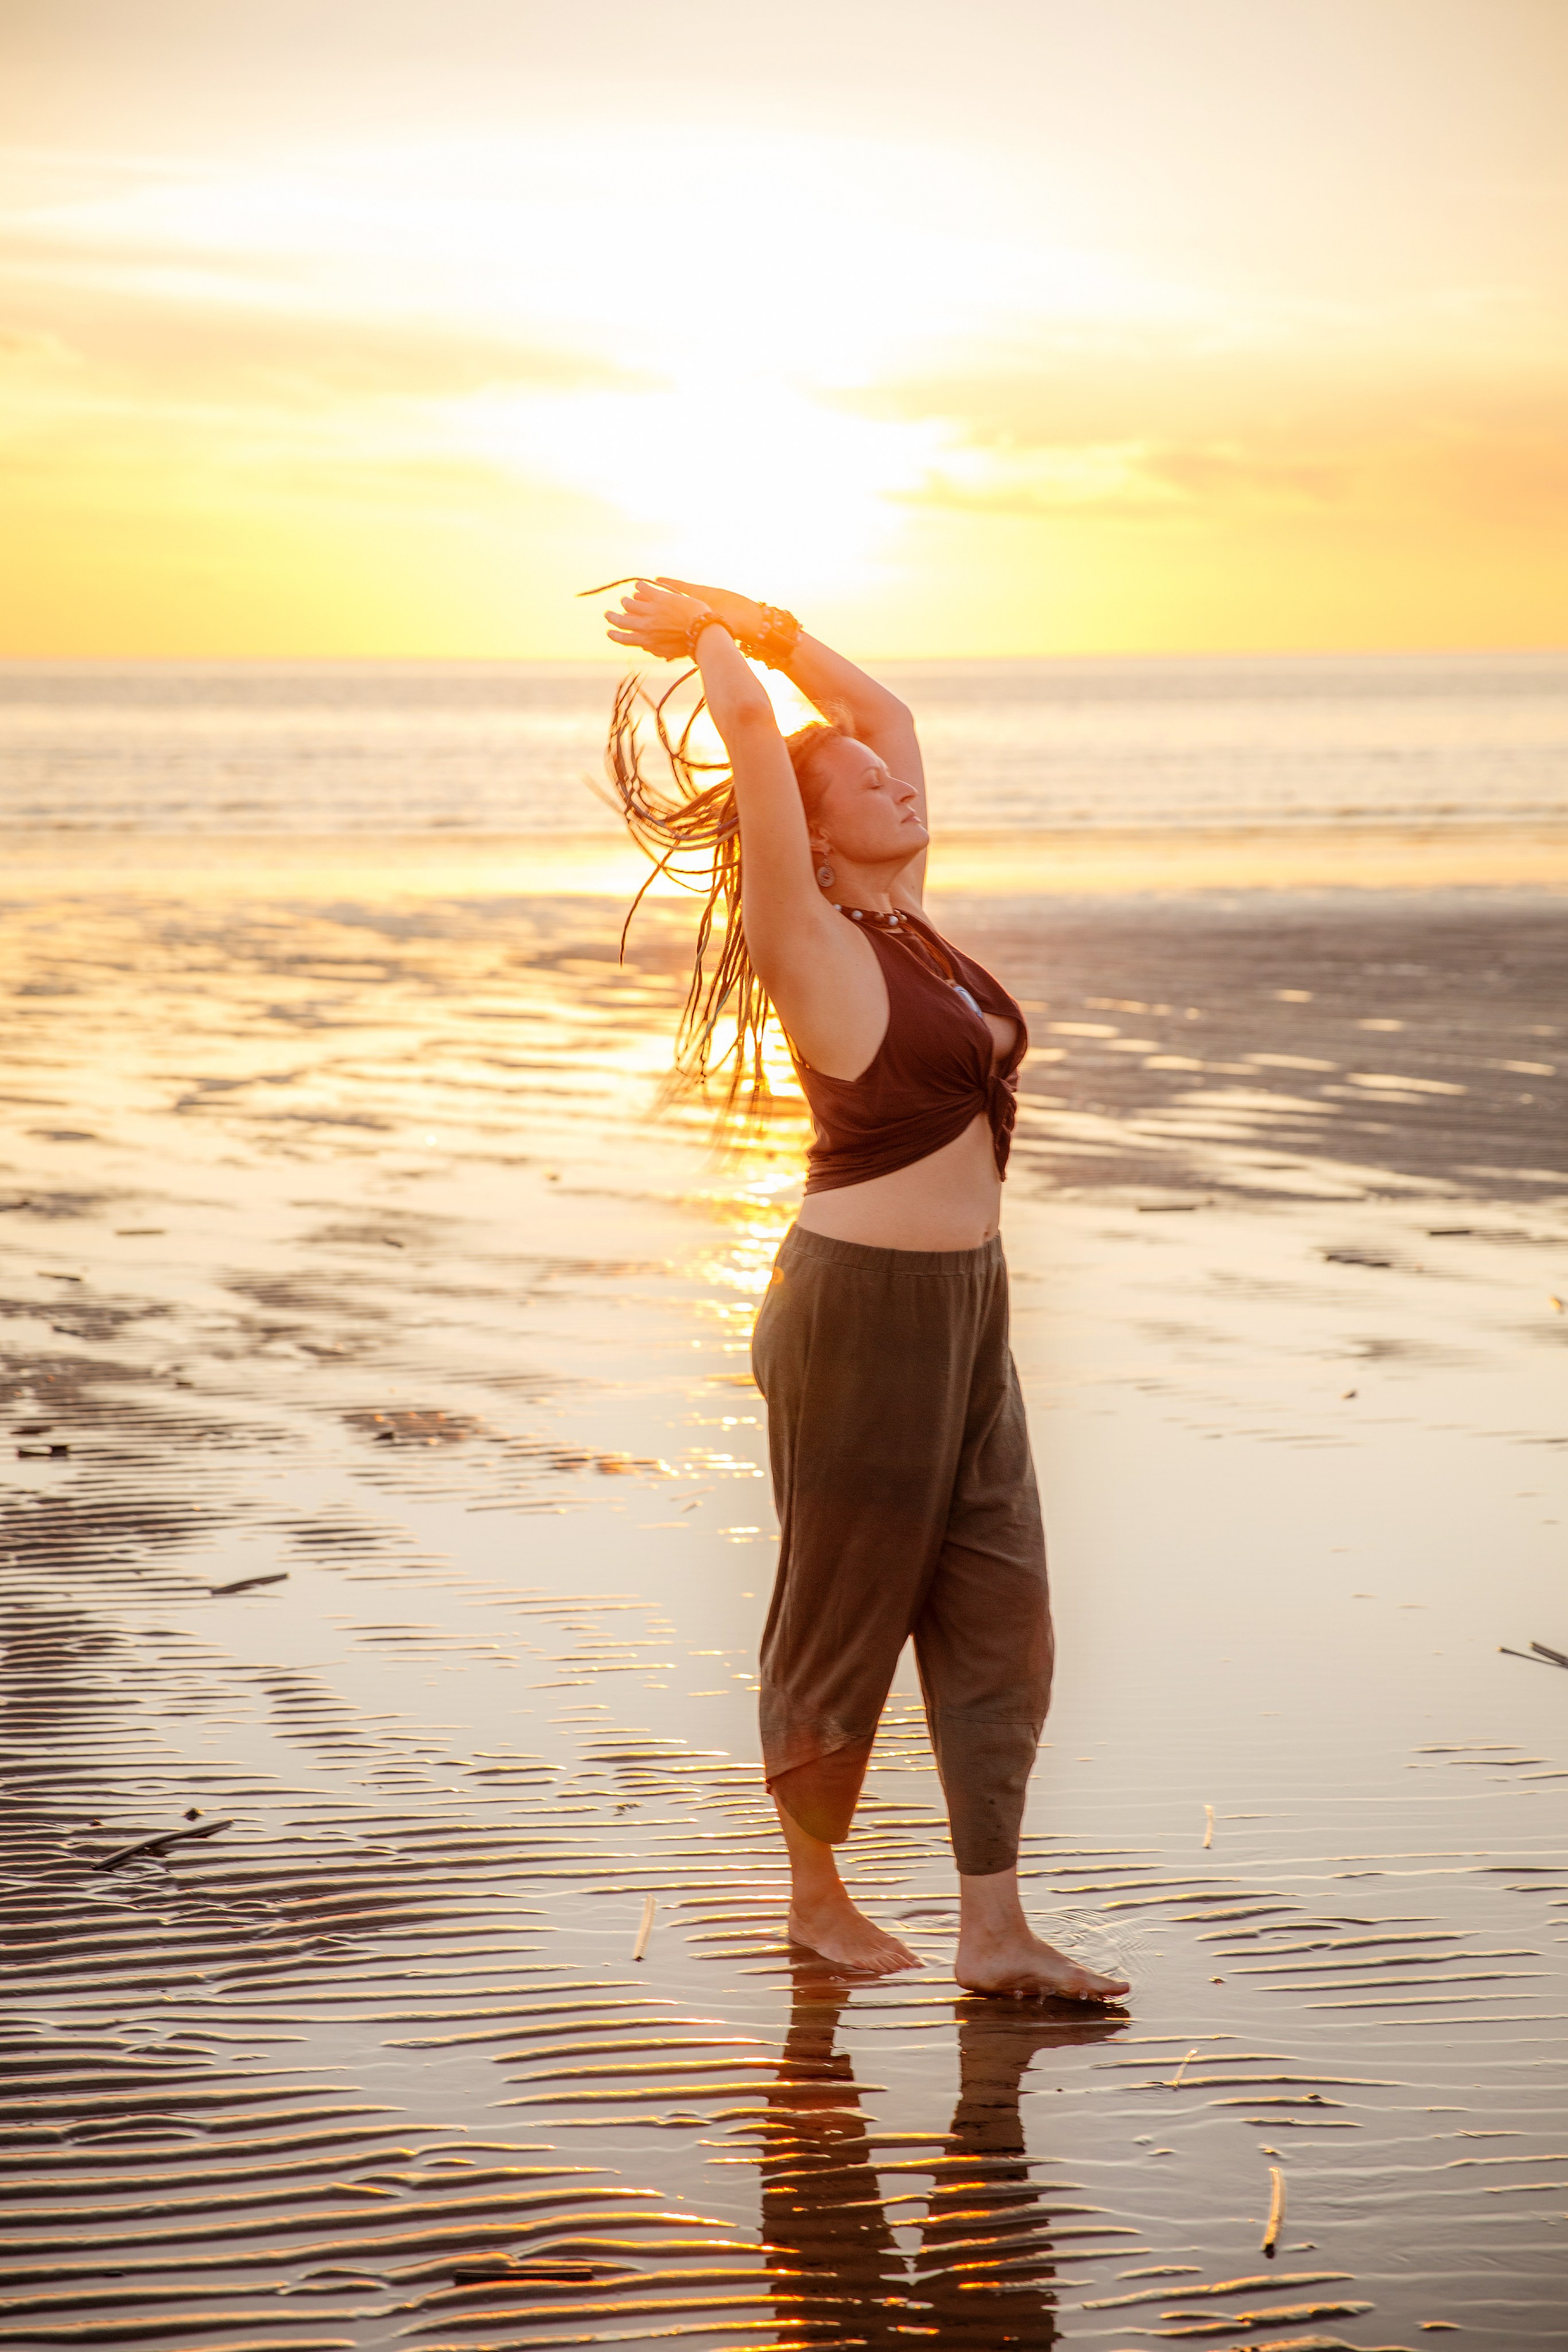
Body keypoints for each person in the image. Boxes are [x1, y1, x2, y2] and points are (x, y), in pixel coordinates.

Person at [600, 575, 1128, 2001]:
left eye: (893, 775)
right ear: (807, 832)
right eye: (858, 783)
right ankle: (814, 1903)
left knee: (1000, 1608)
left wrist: (767, 617)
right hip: (856, 1317)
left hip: (971, 1312)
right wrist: (714, 643)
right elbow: (759, 741)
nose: (893, 774)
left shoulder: (914, 930)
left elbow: (879, 711)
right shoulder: (812, 939)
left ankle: (992, 1930)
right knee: (842, 1609)